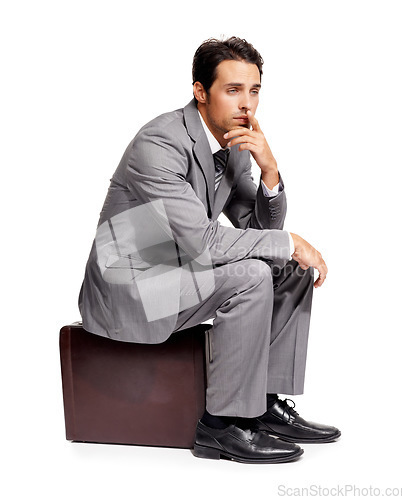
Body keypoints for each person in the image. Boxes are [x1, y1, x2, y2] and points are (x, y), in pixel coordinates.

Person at [79, 36, 340, 464]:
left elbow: (256, 229)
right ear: (200, 91)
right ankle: (221, 426)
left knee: (288, 270)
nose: (247, 104)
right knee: (255, 273)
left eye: (254, 91)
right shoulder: (159, 143)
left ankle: (263, 404)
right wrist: (290, 241)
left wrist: (270, 171)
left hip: (181, 269)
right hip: (133, 283)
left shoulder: (233, 146)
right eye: (232, 90)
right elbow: (205, 240)